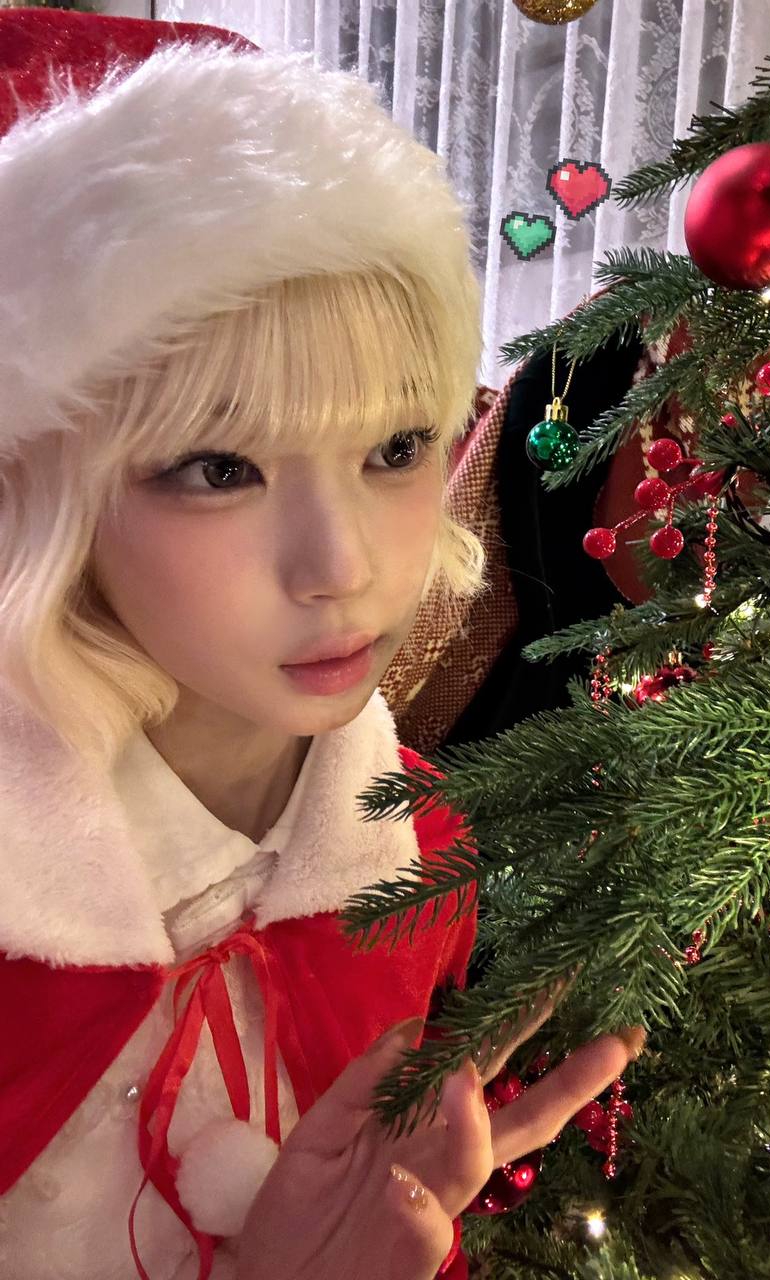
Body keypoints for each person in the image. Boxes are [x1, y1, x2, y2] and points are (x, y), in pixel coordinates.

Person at [0, 10, 646, 1280]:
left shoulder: (416, 859)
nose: (341, 566)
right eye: (219, 467)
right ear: (38, 490)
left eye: (396, 448)